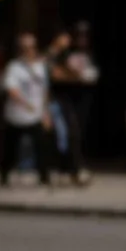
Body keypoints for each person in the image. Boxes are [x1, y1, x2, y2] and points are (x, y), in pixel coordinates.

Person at [0, 33, 53, 187]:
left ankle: (44, 177)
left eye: (32, 47)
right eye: (25, 48)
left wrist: (46, 113)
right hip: (16, 116)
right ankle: (3, 175)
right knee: (10, 149)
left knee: (41, 147)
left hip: (35, 116)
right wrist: (25, 103)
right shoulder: (14, 67)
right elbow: (11, 89)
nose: (29, 50)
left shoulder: (41, 67)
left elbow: (44, 91)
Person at [52, 22, 100, 185]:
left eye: (85, 35)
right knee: (71, 134)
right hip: (65, 99)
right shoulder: (65, 54)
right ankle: (74, 169)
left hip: (83, 99)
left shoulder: (88, 54)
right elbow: (56, 74)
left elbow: (91, 75)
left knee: (78, 133)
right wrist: (76, 76)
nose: (82, 39)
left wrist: (77, 75)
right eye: (79, 35)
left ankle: (70, 169)